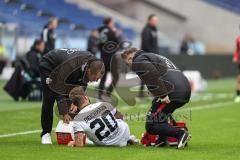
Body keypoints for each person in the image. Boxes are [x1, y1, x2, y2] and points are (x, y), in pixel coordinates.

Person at [121, 48, 191, 149]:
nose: (129, 66)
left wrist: (162, 94)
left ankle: (180, 134)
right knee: (160, 115)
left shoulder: (139, 60)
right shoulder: (151, 55)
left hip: (172, 91)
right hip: (183, 88)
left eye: (127, 64)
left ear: (129, 58)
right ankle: (162, 140)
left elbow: (151, 74)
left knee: (151, 125)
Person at [39, 48, 105, 144]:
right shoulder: (71, 67)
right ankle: (46, 133)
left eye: (98, 78)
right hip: (50, 65)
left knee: (80, 102)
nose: (96, 80)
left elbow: (83, 83)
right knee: (49, 97)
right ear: (89, 71)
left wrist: (76, 100)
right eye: (95, 77)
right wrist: (64, 112)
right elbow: (58, 88)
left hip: (69, 70)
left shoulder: (95, 63)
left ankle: (80, 135)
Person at [66, 87, 134, 147]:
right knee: (117, 120)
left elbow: (79, 144)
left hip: (107, 144)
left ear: (74, 104)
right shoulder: (104, 104)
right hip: (124, 133)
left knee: (89, 134)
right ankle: (128, 138)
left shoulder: (78, 120)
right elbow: (120, 116)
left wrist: (73, 143)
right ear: (85, 97)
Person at [98, 17, 120, 99]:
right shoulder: (111, 32)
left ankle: (100, 94)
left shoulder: (100, 31)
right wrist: (115, 33)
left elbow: (99, 45)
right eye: (112, 22)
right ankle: (107, 93)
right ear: (109, 23)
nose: (113, 24)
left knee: (103, 76)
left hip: (103, 56)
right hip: (111, 58)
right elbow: (117, 44)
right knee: (116, 77)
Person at [139, 14, 159, 97]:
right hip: (147, 55)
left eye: (156, 21)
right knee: (146, 74)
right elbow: (146, 44)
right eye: (154, 20)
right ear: (149, 20)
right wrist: (151, 54)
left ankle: (151, 92)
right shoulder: (146, 30)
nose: (156, 22)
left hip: (153, 55)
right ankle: (141, 93)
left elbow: (154, 44)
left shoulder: (154, 30)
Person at [233, 27, 240, 103]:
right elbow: (237, 50)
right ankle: (238, 95)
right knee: (239, 79)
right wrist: (235, 57)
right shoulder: (238, 39)